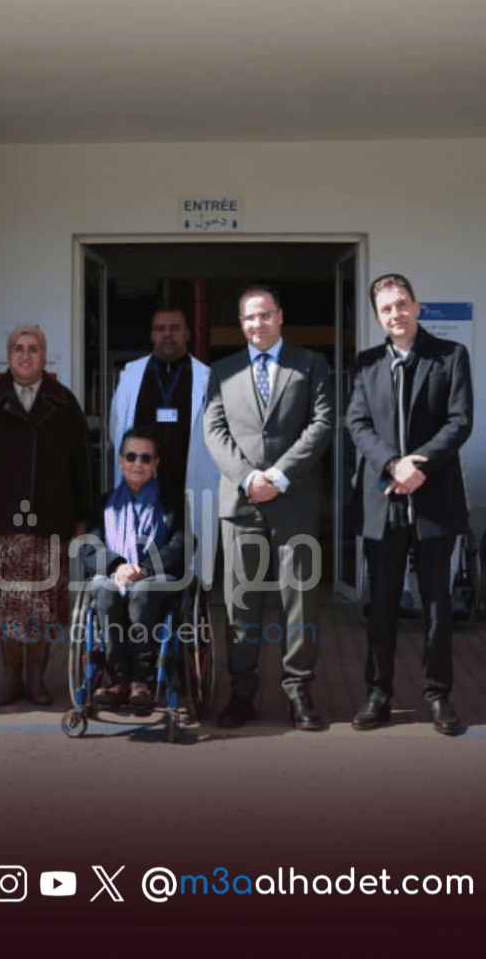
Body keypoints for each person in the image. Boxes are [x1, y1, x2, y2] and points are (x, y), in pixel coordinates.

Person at [202, 284, 334, 731]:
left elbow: (322, 423)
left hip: (294, 501)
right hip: (241, 505)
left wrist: (278, 477)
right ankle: (242, 693)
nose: (256, 324)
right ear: (240, 324)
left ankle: (299, 691)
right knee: (241, 603)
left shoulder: (311, 364)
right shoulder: (221, 371)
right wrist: (247, 479)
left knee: (300, 602)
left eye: (264, 315)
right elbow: (214, 431)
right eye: (248, 317)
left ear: (280, 316)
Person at [346, 274, 472, 736]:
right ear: (377, 317)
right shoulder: (365, 364)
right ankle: (378, 694)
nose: (395, 314)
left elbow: (459, 421)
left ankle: (438, 695)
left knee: (436, 604)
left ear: (416, 307)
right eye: (386, 308)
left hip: (434, 499)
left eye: (401, 304)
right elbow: (357, 423)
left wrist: (419, 465)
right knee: (381, 607)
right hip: (383, 503)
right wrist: (392, 464)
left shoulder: (450, 356)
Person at [0, 324, 93, 707]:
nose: (26, 355)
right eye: (19, 348)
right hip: (3, 523)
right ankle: (11, 678)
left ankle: (37, 678)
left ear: (44, 356)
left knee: (43, 608)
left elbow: (81, 464)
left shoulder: (64, 402)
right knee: (6, 608)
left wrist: (82, 517)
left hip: (51, 522)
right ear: (9, 354)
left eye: (34, 348)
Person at [82, 429, 186, 715]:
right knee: (105, 592)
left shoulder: (173, 501)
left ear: (155, 463)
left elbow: (183, 544)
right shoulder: (103, 503)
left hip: (157, 575)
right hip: (115, 575)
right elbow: (89, 547)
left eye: (145, 457)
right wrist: (118, 566)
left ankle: (143, 679)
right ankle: (118, 680)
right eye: (131, 456)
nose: (137, 463)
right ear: (120, 460)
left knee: (142, 592)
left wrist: (146, 568)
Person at [108, 304, 219, 534]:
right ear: (151, 335)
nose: (167, 334)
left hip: (189, 485)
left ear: (187, 334)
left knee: (189, 548)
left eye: (175, 328)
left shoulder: (207, 379)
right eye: (160, 329)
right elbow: (115, 428)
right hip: (142, 486)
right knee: (140, 547)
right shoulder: (130, 376)